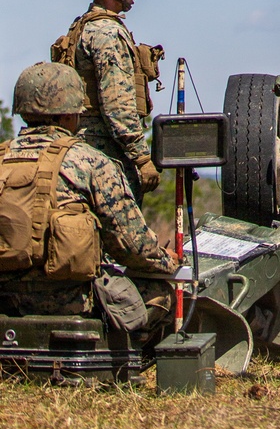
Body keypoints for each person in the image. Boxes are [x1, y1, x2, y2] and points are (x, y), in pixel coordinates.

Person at [0, 62, 177, 336]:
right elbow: (133, 247)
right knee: (160, 292)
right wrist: (168, 260)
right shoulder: (90, 162)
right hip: (70, 305)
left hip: (4, 300)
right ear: (71, 113)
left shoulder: (2, 159)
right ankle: (127, 365)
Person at [51, 0, 163, 202]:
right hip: (105, 155)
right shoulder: (108, 33)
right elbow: (118, 105)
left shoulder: (82, 27)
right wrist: (141, 157)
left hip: (79, 148)